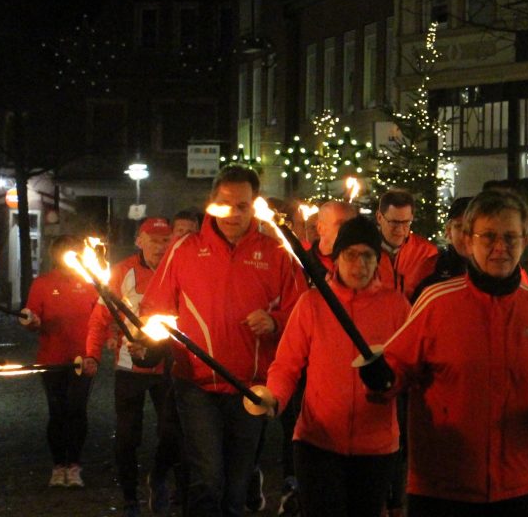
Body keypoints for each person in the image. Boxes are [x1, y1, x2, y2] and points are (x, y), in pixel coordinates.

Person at [361, 189, 528, 516]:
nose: (501, 248)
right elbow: (398, 367)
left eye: (511, 237)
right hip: (443, 486)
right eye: (489, 237)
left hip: (514, 485)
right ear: (468, 241)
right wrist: (382, 377)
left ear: (525, 241)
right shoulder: (437, 304)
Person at [143, 165, 305, 517]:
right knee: (207, 478)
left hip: (250, 389)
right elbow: (154, 306)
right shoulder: (185, 249)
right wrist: (148, 338)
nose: (233, 214)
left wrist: (274, 322)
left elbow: (302, 313)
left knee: (236, 485)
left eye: (242, 206)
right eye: (225, 203)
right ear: (212, 203)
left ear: (254, 205)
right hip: (196, 384)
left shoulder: (277, 253)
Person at [248, 215, 410, 516]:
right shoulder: (312, 303)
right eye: (351, 255)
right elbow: (287, 363)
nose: (359, 265)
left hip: (376, 446)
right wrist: (274, 396)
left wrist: (391, 382)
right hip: (317, 442)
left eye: (367, 256)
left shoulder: (396, 306)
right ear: (336, 259)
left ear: (378, 261)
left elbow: (410, 366)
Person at [82, 217, 179, 516]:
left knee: (173, 432)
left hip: (168, 366)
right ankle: (129, 498)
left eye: (165, 240)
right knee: (126, 436)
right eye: (154, 240)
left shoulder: (178, 270)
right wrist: (91, 355)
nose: (160, 247)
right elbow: (100, 318)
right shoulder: (121, 272)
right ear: (139, 240)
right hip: (129, 367)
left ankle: (159, 476)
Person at [21, 234, 95, 488]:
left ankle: (74, 465)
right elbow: (32, 315)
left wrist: (97, 349)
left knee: (77, 409)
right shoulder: (43, 283)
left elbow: (102, 317)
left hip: (83, 359)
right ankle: (58, 465)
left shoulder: (90, 282)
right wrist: (32, 320)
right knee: (57, 412)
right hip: (52, 359)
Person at [373, 188, 438, 299]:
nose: (400, 230)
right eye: (394, 222)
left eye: (406, 222)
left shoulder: (427, 253)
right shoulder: (365, 251)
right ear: (379, 217)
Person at [410, 196, 473, 302]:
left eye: (471, 227)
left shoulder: (495, 270)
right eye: (459, 226)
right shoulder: (431, 267)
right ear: (449, 230)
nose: (465, 234)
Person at [306, 199, 356, 274]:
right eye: (342, 225)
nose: (349, 230)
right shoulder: (301, 265)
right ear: (320, 228)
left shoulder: (364, 265)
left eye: (353, 225)